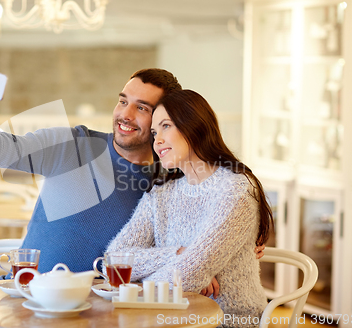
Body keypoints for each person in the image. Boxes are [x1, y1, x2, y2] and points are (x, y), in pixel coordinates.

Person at [0, 58, 263, 298]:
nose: (125, 115)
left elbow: (208, 236)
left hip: (103, 309)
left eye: (141, 108)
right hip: (28, 296)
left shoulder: (168, 184)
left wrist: (233, 252)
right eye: (123, 100)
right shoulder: (72, 145)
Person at [106, 89, 273, 326]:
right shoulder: (162, 193)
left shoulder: (235, 189)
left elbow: (187, 275)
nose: (157, 141)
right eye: (154, 132)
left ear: (194, 126)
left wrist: (136, 283)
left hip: (226, 322)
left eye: (166, 126)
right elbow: (113, 260)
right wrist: (177, 254)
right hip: (168, 318)